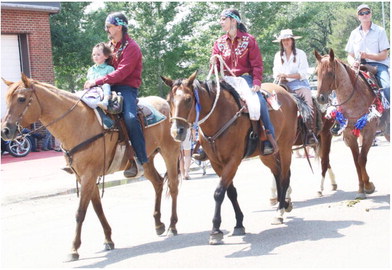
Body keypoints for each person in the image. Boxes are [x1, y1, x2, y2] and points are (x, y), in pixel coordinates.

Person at [84, 12, 147, 177]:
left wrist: (97, 82)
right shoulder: (109, 46)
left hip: (126, 88)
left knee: (131, 118)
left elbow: (121, 73)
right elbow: (101, 64)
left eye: (109, 26)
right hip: (105, 86)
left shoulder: (132, 47)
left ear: (119, 27)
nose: (107, 29)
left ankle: (141, 160)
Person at [210, 8, 278, 155]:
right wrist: (213, 62)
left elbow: (257, 64)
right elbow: (214, 65)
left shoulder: (249, 40)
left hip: (245, 79)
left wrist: (256, 82)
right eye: (221, 19)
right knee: (207, 99)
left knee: (258, 101)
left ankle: (268, 136)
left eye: (223, 19)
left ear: (233, 20)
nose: (221, 22)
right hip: (225, 80)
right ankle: (204, 143)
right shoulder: (219, 42)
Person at [332, 4, 391, 135]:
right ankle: (340, 120)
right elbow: (349, 55)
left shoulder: (380, 31)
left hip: (377, 65)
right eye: (361, 13)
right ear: (358, 16)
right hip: (358, 65)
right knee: (342, 86)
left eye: (367, 12)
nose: (364, 15)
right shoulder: (354, 33)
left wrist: (367, 55)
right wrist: (353, 63)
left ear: (370, 14)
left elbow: (384, 55)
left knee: (387, 87)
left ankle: (388, 120)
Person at [272, 28, 318, 146]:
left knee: (308, 103)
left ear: (292, 40)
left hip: (299, 83)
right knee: (270, 102)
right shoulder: (278, 55)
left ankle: (310, 132)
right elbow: (275, 71)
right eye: (283, 40)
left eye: (288, 39)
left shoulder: (300, 53)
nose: (286, 42)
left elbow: (303, 73)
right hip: (282, 84)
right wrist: (280, 76)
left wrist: (287, 76)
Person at [85, 42, 115, 128]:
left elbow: (111, 81)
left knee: (106, 85)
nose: (95, 56)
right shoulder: (91, 69)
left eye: (98, 54)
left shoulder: (109, 68)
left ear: (106, 56)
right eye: (93, 54)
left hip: (103, 90)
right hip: (92, 91)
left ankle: (105, 102)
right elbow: (89, 80)